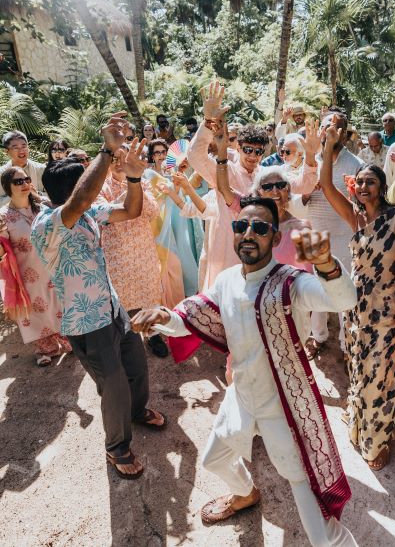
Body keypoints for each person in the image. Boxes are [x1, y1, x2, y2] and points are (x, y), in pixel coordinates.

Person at [131, 203, 359, 547]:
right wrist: (163, 316)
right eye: (241, 225)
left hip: (284, 407)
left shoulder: (291, 283)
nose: (248, 233)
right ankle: (245, 494)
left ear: (276, 237)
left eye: (260, 228)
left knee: (310, 508)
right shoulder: (226, 280)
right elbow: (192, 316)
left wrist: (325, 263)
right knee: (213, 460)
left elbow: (342, 299)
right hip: (241, 396)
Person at [31, 114, 165, 480]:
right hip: (85, 323)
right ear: (72, 191)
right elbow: (82, 197)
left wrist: (135, 178)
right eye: (88, 183)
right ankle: (117, 447)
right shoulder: (47, 224)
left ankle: (137, 413)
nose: (101, 183)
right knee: (114, 384)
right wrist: (107, 150)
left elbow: (131, 210)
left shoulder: (89, 212)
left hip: (113, 308)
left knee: (136, 368)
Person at [318, 125, 395, 470]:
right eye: (359, 182)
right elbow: (326, 186)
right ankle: (366, 427)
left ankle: (375, 443)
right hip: (356, 310)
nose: (363, 186)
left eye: (370, 181)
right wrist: (328, 147)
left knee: (381, 374)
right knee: (361, 370)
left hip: (389, 311)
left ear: (382, 187)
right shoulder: (355, 219)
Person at [188, 81, 319, 289]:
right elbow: (195, 156)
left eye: (258, 151)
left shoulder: (266, 178)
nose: (252, 156)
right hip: (226, 251)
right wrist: (207, 122)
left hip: (259, 252)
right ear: (238, 148)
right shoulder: (225, 171)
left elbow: (304, 184)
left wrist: (311, 156)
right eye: (247, 149)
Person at [0, 167, 71, 366]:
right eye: (18, 181)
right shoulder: (2, 216)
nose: (24, 184)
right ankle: (45, 348)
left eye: (26, 179)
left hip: (54, 267)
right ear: (8, 187)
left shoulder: (42, 207)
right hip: (28, 273)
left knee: (60, 304)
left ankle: (68, 341)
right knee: (36, 311)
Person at [94, 144, 170, 359]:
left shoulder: (142, 181)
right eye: (116, 159)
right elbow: (104, 215)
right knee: (120, 298)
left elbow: (152, 211)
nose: (120, 164)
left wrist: (135, 183)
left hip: (143, 248)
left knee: (149, 291)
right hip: (116, 252)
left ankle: (153, 334)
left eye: (125, 158)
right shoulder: (100, 187)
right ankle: (124, 338)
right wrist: (132, 187)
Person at [303, 109, 363, 358]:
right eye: (326, 124)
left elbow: (359, 204)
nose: (330, 130)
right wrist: (308, 189)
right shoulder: (308, 161)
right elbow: (297, 196)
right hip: (313, 232)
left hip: (343, 236)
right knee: (316, 288)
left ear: (344, 135)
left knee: (342, 288)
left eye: (336, 127)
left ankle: (345, 341)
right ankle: (317, 337)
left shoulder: (355, 165)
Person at [0, 130, 45, 207]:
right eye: (16, 148)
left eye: (24, 146)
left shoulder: (42, 169)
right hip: (14, 217)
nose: (21, 151)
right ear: (6, 151)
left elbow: (54, 194)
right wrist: (19, 195)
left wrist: (37, 194)